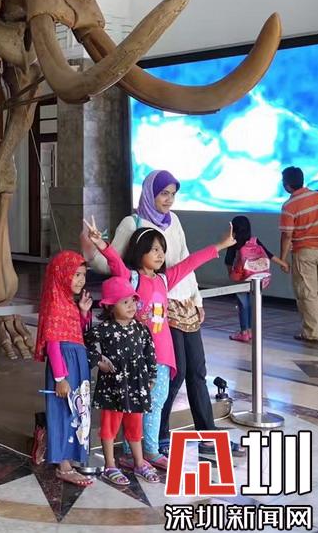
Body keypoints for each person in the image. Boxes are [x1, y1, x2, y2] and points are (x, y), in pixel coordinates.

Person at [83, 170, 241, 459]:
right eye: (163, 193)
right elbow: (114, 264)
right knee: (158, 387)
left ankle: (187, 440)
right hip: (151, 326)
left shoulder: (171, 238)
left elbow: (187, 261)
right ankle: (150, 443)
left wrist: (199, 292)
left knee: (190, 374)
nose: (169, 199)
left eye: (173, 194)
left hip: (179, 312)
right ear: (150, 193)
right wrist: (97, 247)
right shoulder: (133, 228)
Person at [85, 276, 159, 486]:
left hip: (136, 385)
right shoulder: (104, 329)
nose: (131, 306)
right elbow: (84, 344)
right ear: (110, 306)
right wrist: (98, 360)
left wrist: (152, 375)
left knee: (135, 425)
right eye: (124, 302)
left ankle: (139, 462)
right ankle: (110, 465)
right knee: (110, 426)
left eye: (133, 301)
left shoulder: (141, 329)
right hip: (113, 386)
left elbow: (150, 353)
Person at [34, 250, 95, 486]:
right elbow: (53, 343)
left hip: (76, 362)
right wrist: (60, 378)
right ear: (62, 274)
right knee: (63, 411)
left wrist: (83, 313)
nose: (80, 280)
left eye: (83, 275)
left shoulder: (68, 301)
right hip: (65, 367)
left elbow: (75, 332)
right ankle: (63, 465)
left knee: (76, 410)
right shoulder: (55, 303)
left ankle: (66, 452)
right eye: (75, 274)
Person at [279, 166, 318, 342]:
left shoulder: (289, 206)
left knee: (307, 293)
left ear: (287, 185)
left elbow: (287, 235)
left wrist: (283, 259)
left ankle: (312, 332)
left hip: (304, 252)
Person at [226, 215, 288, 342]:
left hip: (241, 277)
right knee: (252, 304)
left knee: (243, 305)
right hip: (256, 277)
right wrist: (283, 263)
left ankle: (244, 332)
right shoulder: (254, 241)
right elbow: (269, 254)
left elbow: (228, 261)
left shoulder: (233, 243)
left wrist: (231, 274)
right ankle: (251, 331)